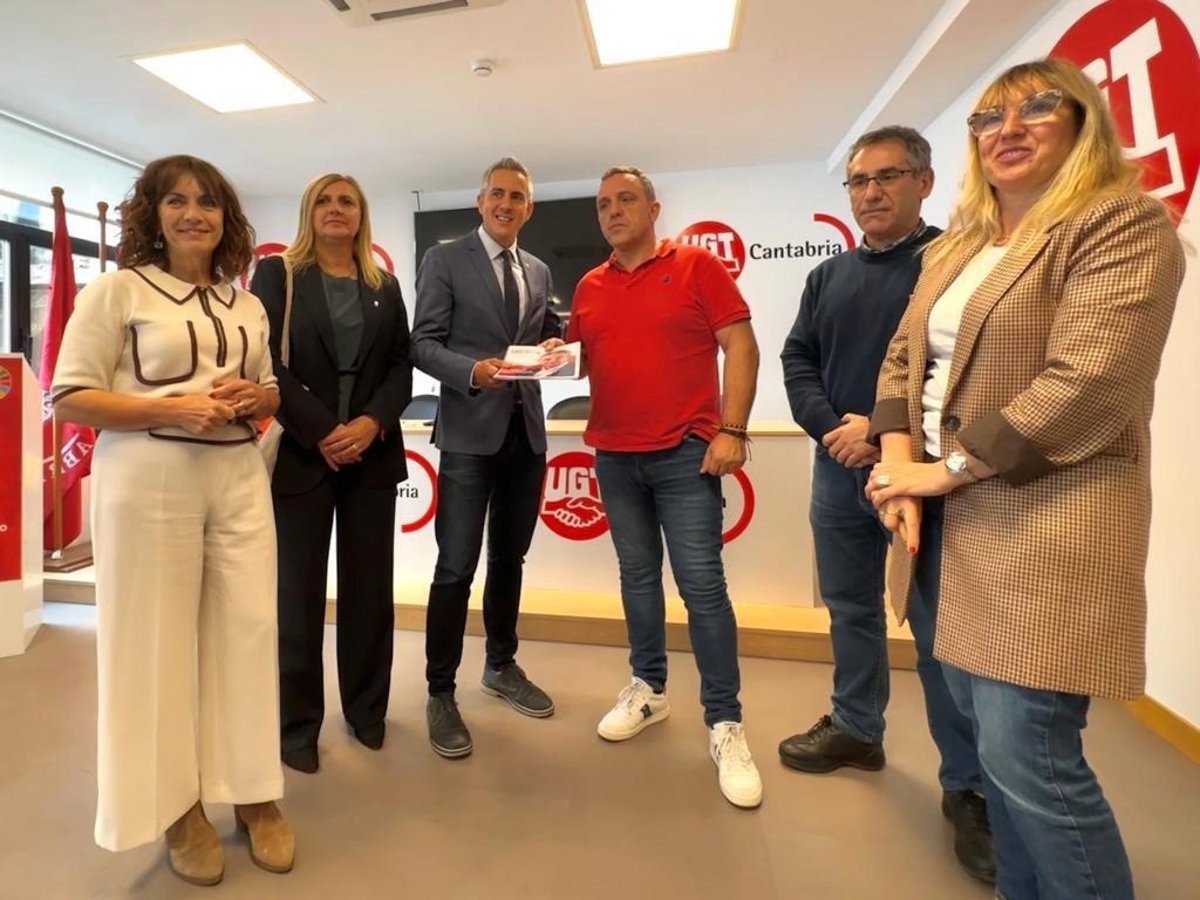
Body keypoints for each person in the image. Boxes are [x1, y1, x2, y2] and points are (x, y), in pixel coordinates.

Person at [865, 59, 1184, 899]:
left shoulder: (1120, 221)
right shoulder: (960, 244)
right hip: (938, 522)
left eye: (1037, 108)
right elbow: (901, 358)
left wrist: (944, 471)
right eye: (988, 117)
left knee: (1030, 755)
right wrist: (898, 467)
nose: (1007, 130)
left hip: (1043, 519)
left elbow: (1091, 381)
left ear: (1082, 122)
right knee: (986, 746)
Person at [52, 155, 294, 885]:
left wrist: (258, 398)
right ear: (153, 215)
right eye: (177, 201)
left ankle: (254, 791)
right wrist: (173, 408)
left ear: (227, 219)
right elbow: (70, 397)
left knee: (250, 630)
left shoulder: (246, 305)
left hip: (239, 477)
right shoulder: (116, 291)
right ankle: (176, 807)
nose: (194, 214)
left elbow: (272, 389)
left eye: (208, 202)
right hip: (148, 480)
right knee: (152, 644)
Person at [779, 126, 993, 882]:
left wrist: (879, 431)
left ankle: (967, 787)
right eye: (858, 180)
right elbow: (797, 359)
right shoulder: (827, 276)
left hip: (921, 476)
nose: (870, 192)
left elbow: (964, 368)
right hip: (837, 472)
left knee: (937, 631)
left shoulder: (955, 263)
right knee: (850, 609)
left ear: (925, 182)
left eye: (888, 176)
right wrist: (832, 428)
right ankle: (857, 728)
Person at [567, 166, 763, 808]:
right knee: (637, 578)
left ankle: (725, 722)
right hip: (614, 455)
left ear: (653, 209)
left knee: (703, 587)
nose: (613, 211)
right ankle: (648, 689)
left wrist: (732, 429)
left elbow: (741, 346)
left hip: (685, 455)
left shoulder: (698, 267)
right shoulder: (589, 286)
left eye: (626, 199)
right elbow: (580, 362)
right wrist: (538, 358)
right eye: (603, 204)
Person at [250, 174, 413, 774]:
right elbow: (268, 362)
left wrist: (370, 423)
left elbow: (400, 368)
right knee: (296, 597)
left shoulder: (384, 285)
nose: (336, 209)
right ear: (308, 212)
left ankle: (367, 711)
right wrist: (322, 430)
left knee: (370, 593)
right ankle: (296, 728)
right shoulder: (278, 276)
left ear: (361, 215)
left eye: (347, 201)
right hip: (303, 455)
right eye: (324, 200)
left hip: (371, 456)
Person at [410, 157, 561, 759]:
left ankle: (501, 666)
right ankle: (440, 692)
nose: (505, 203)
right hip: (469, 434)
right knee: (455, 565)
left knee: (510, 559)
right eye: (496, 193)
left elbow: (542, 335)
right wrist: (471, 371)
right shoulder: (444, 259)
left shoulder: (539, 270)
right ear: (480, 202)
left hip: (526, 434)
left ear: (529, 208)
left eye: (516, 196)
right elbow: (422, 343)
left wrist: (554, 343)